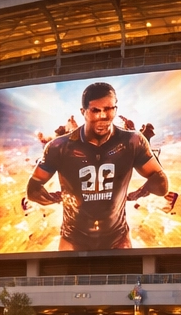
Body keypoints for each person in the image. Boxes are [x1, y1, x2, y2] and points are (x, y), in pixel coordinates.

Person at [24, 80, 170, 251]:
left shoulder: (132, 141)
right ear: (83, 112)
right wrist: (57, 198)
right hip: (72, 237)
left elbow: (161, 182)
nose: (103, 116)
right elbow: (33, 188)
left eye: (109, 109)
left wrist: (139, 193)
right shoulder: (59, 147)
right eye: (95, 110)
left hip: (117, 237)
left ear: (116, 109)